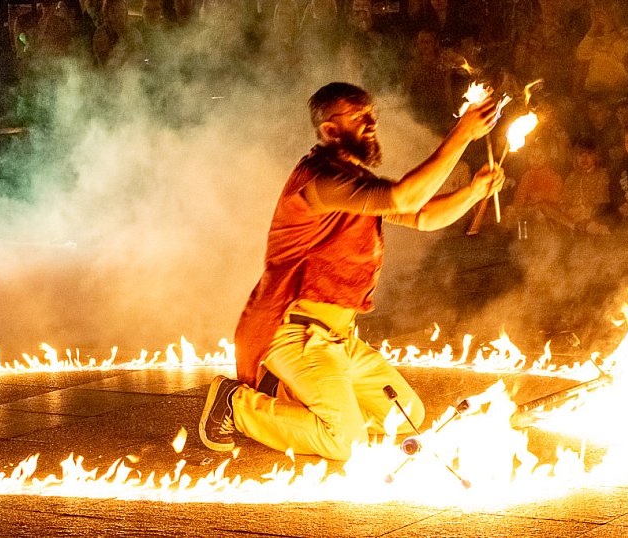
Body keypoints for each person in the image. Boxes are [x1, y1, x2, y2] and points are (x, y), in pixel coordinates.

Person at [199, 82, 502, 461]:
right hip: (297, 334)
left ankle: (286, 394)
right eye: (358, 118)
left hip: (340, 339)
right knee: (345, 441)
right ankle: (236, 404)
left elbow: (422, 215)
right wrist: (462, 134)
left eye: (371, 114)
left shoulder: (355, 181)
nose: (371, 123)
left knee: (407, 415)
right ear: (330, 130)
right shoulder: (322, 181)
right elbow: (406, 197)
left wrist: (473, 192)